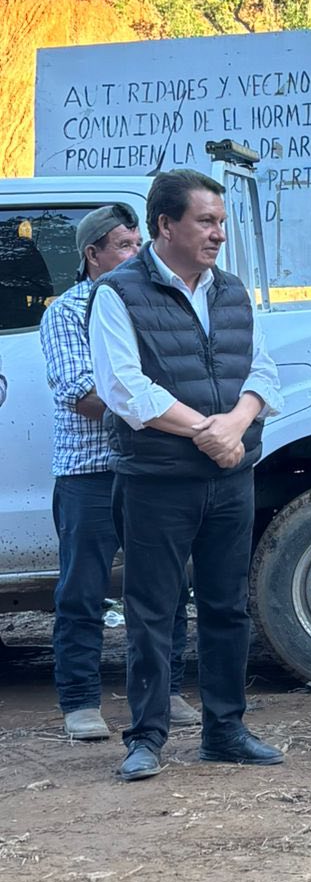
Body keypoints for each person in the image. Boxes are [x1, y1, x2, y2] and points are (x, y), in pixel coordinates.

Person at [89, 170, 283, 782]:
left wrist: (239, 422)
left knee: (227, 607)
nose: (219, 234)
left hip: (232, 478)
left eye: (222, 222)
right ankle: (146, 737)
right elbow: (125, 388)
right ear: (165, 225)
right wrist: (209, 429)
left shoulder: (230, 292)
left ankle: (225, 730)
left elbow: (265, 370)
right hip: (158, 479)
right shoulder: (119, 293)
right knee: (152, 610)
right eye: (206, 221)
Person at [41, 204, 197, 742]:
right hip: (91, 470)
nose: (137, 253)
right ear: (93, 255)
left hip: (152, 468)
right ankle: (80, 703)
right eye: (126, 246)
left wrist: (157, 403)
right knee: (82, 591)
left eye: (139, 243)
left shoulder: (153, 299)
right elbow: (81, 394)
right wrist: (151, 406)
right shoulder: (66, 311)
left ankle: (168, 691)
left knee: (167, 589)